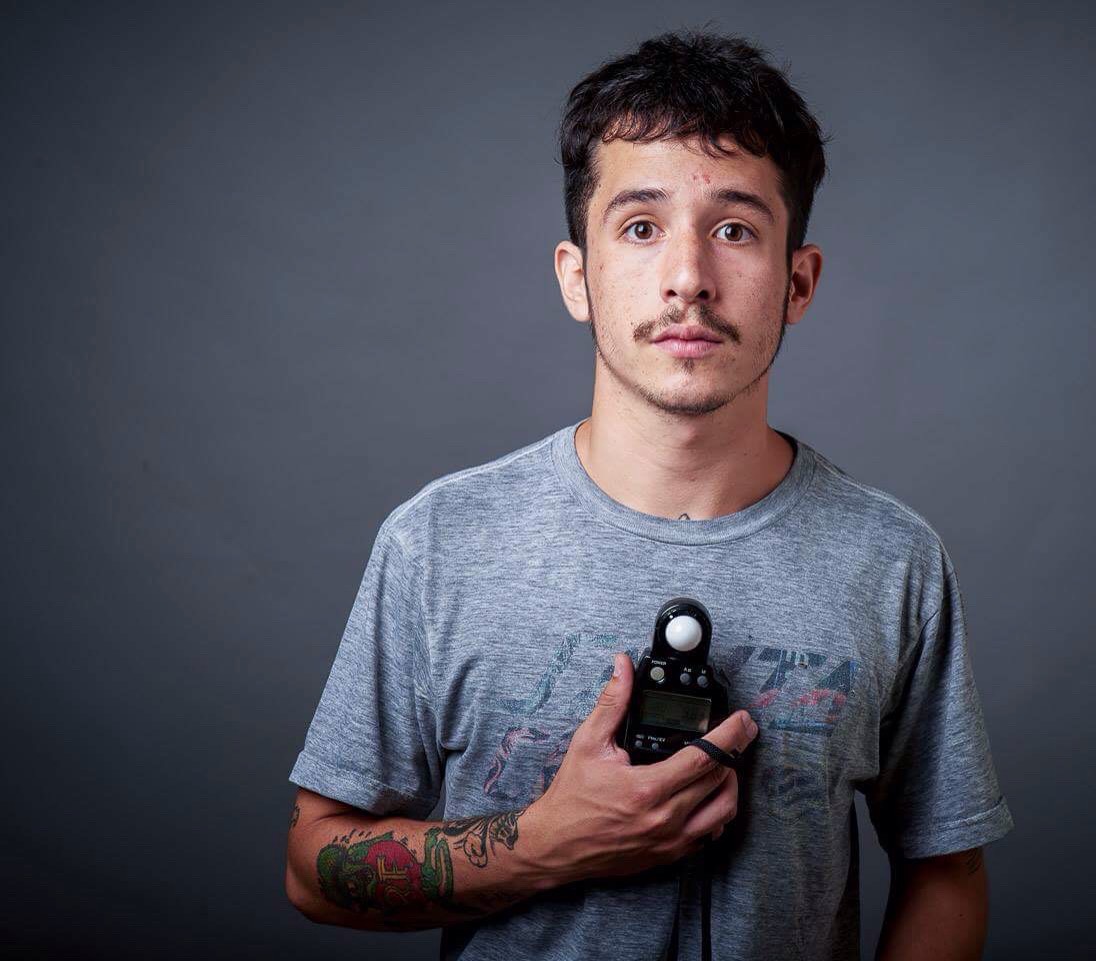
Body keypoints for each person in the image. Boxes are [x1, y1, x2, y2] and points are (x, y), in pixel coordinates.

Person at [284, 28, 1014, 961]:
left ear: (798, 282)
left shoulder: (892, 559)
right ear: (576, 277)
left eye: (735, 229)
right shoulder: (438, 542)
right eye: (640, 227)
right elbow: (312, 867)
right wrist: (546, 843)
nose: (688, 278)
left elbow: (946, 872)